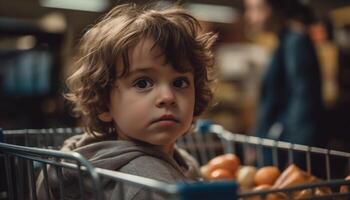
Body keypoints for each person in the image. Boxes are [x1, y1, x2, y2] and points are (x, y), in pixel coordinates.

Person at [36, 3, 217, 199]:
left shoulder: (179, 160)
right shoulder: (147, 184)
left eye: (180, 82)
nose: (167, 97)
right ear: (104, 104)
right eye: (142, 83)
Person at [244, 0, 325, 171]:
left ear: (276, 10)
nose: (249, 16)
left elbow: (304, 99)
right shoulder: (284, 42)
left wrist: (296, 155)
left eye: (256, 9)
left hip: (290, 149)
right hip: (280, 144)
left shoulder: (296, 41)